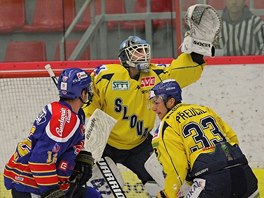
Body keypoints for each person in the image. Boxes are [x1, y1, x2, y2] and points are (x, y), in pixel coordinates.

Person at [83, 3, 221, 193]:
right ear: (124, 56)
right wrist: (89, 138)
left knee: (167, 186)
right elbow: (89, 103)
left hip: (140, 145)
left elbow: (180, 72)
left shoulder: (156, 74)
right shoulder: (106, 75)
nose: (143, 55)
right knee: (110, 191)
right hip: (106, 145)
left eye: (144, 50)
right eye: (137, 51)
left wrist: (197, 50)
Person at [149, 79, 259, 198]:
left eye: (156, 102)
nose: (153, 108)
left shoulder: (166, 125)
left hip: (211, 183)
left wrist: (168, 193)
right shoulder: (204, 110)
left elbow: (176, 167)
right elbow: (232, 139)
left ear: (170, 101)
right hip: (245, 175)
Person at [4, 68, 100, 198]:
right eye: (87, 88)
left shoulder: (75, 114)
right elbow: (39, 160)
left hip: (51, 182)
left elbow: (64, 145)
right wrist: (52, 192)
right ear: (82, 93)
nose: (90, 92)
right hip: (32, 186)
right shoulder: (64, 119)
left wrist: (80, 156)